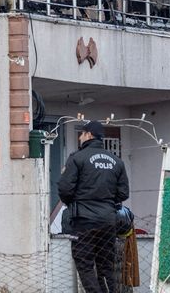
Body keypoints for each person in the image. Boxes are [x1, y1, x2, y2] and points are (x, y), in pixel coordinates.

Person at [57, 120, 130, 293]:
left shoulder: (77, 158)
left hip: (84, 222)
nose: (80, 137)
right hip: (108, 222)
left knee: (85, 264)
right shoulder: (116, 161)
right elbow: (124, 193)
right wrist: (106, 202)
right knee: (106, 265)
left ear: (88, 134)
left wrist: (74, 203)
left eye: (81, 134)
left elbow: (64, 188)